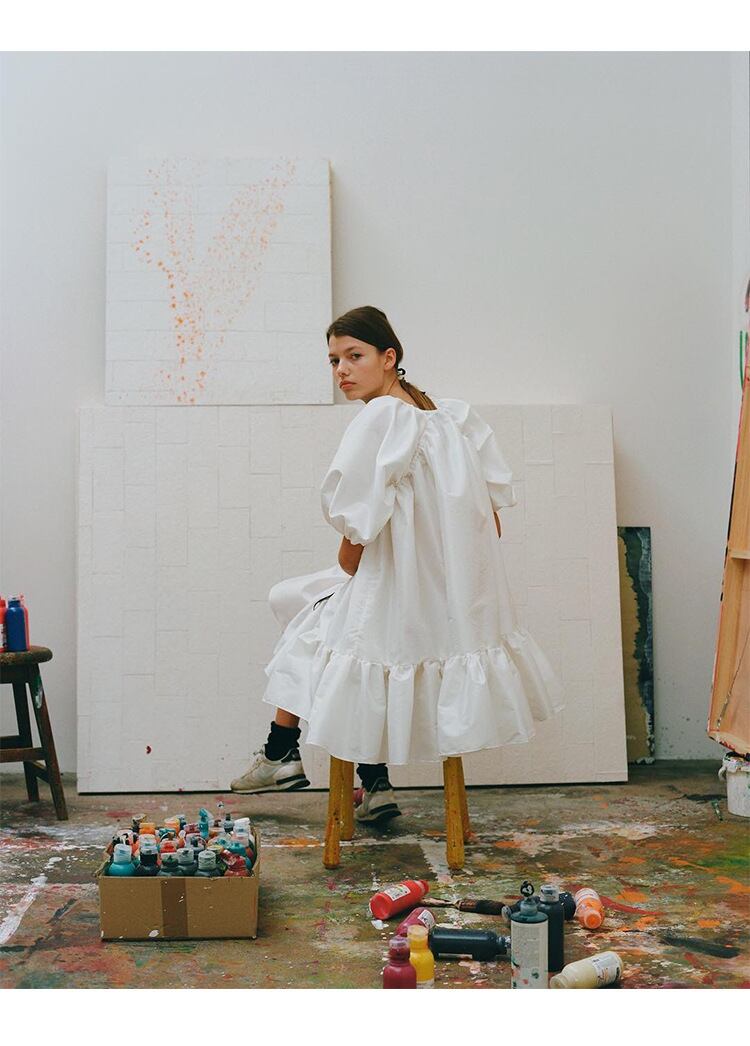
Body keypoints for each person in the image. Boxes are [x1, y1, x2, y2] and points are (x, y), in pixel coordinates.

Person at [230, 306, 564, 824]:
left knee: (307, 620)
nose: (342, 370)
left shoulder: (382, 418)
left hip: (398, 604)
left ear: (389, 357)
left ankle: (284, 752)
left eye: (354, 356)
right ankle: (368, 781)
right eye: (334, 360)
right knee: (323, 624)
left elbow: (352, 546)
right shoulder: (453, 419)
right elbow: (490, 525)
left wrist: (372, 558)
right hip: (456, 615)